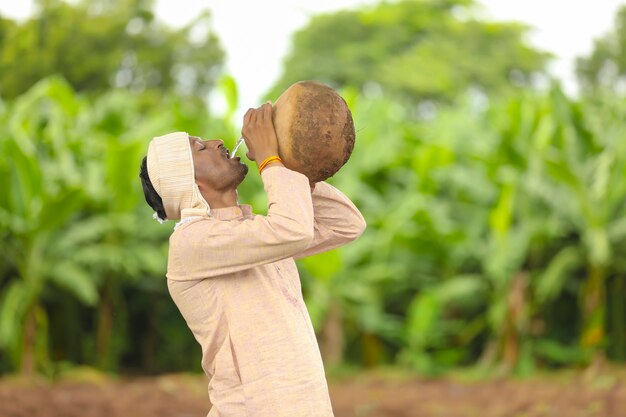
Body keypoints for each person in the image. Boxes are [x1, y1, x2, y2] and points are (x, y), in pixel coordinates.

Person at [138, 102, 366, 416]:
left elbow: (346, 224)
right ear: (189, 182)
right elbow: (293, 230)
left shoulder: (248, 231)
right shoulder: (191, 243)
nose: (217, 142)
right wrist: (271, 161)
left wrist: (288, 158)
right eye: (201, 147)